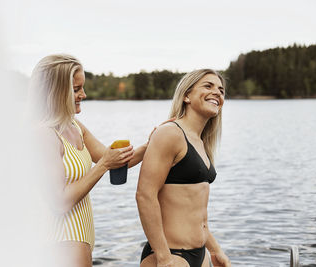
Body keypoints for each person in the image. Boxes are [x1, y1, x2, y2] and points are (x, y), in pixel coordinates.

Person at [29, 54, 151, 267]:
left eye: (82, 88)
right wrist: (103, 165)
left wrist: (153, 144)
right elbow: (59, 202)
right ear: (55, 91)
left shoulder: (74, 126)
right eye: (76, 89)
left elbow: (117, 160)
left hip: (80, 235)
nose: (83, 94)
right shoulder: (44, 134)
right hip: (61, 239)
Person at [136, 69, 231, 267]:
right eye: (208, 86)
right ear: (187, 95)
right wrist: (163, 257)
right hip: (171, 255)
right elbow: (145, 195)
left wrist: (215, 250)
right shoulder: (170, 133)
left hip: (201, 254)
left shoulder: (201, 142)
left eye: (221, 90)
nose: (217, 93)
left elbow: (195, 212)